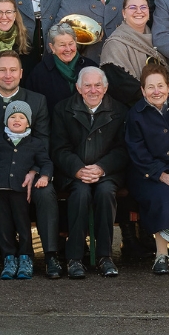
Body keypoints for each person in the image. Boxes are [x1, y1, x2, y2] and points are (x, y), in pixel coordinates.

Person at [51, 68, 128, 278]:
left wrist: (101, 168)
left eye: (97, 85)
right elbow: (59, 148)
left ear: (105, 88)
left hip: (108, 173)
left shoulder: (120, 111)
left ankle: (105, 256)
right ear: (78, 87)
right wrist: (78, 169)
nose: (92, 90)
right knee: (80, 194)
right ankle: (74, 258)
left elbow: (123, 149)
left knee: (105, 194)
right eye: (87, 85)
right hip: (73, 173)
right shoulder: (62, 110)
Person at [123, 64, 169, 274]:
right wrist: (162, 176)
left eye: (160, 86)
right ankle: (161, 255)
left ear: (168, 86)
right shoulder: (135, 115)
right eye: (150, 87)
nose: (156, 91)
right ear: (142, 90)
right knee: (163, 193)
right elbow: (138, 153)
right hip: (145, 174)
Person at [0, 99, 52, 280]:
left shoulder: (35, 143)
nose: (17, 120)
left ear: (28, 122)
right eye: (12, 117)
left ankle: (25, 258)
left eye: (21, 117)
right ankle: (9, 259)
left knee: (23, 225)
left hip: (21, 193)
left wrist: (44, 177)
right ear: (6, 120)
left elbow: (45, 162)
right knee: (3, 226)